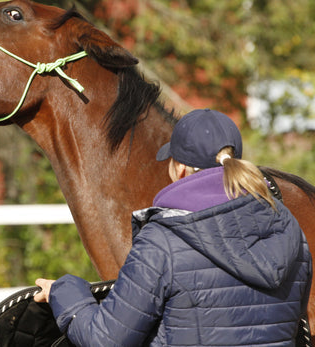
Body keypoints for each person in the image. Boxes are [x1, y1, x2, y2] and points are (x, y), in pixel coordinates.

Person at [34, 109, 312, 346]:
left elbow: (105, 339)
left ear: (179, 168)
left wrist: (66, 292)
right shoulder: (289, 230)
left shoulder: (163, 240)